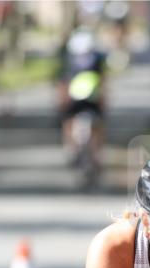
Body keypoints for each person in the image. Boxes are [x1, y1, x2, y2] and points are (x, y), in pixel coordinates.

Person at [57, 27, 106, 166]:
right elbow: (103, 83)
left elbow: (62, 85)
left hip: (75, 101)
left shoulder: (68, 61)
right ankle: (97, 153)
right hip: (92, 100)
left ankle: (71, 148)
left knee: (68, 122)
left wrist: (61, 103)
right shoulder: (96, 60)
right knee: (98, 125)